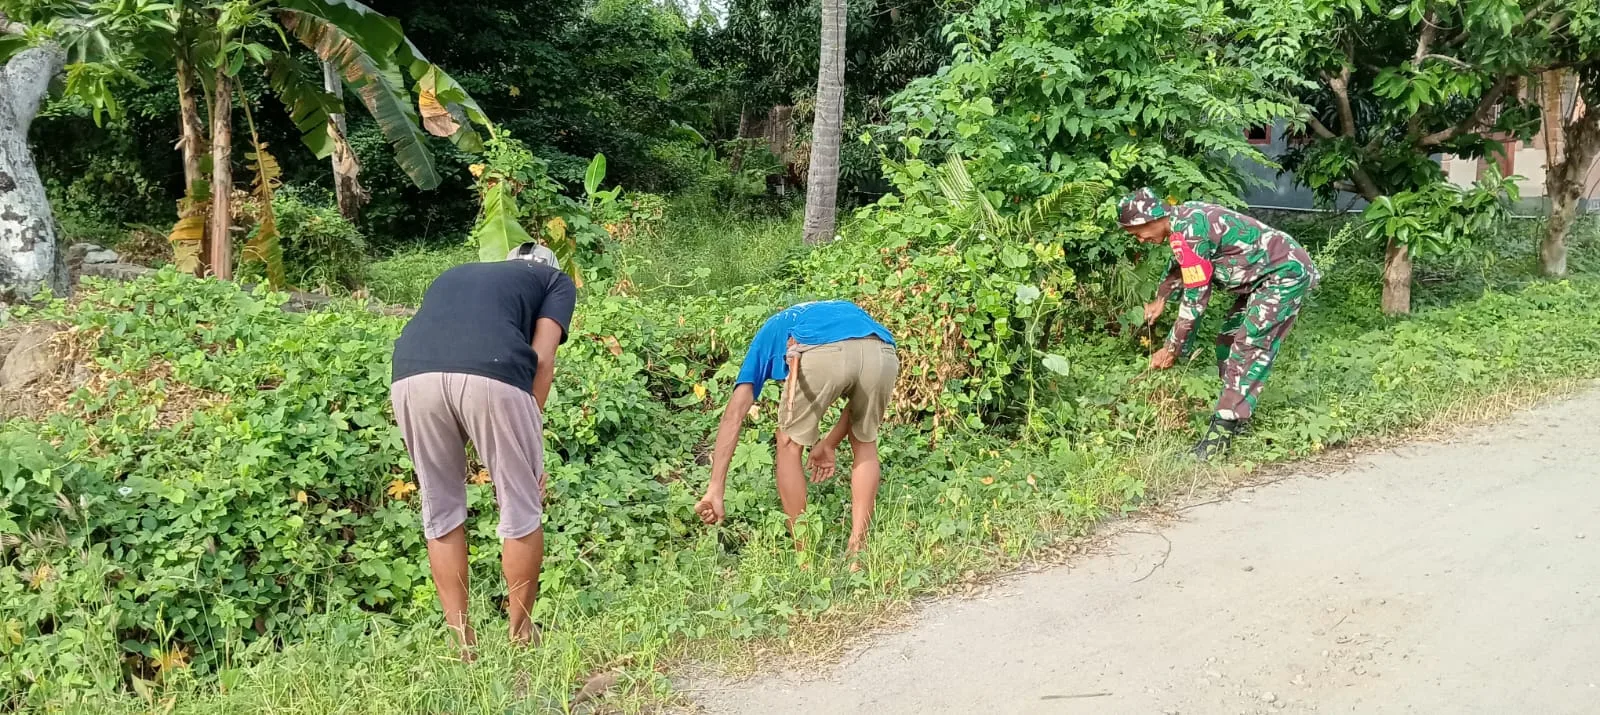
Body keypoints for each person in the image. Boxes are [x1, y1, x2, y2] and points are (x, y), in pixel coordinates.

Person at [389, 242, 576, 657]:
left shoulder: (457, 273)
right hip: (493, 372)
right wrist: (530, 444)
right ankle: (520, 635)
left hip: (410, 376)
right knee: (521, 506)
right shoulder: (555, 280)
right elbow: (543, 360)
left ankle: (462, 643)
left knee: (440, 508)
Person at [1118, 188, 1320, 460]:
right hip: (1260, 280)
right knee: (1227, 341)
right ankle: (1238, 418)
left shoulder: (1190, 229)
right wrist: (1161, 299)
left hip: (1284, 274)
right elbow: (1181, 263)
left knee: (1248, 347)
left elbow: (1195, 302)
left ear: (1151, 218)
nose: (1140, 240)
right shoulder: (1182, 223)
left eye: (1137, 232)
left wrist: (1172, 349)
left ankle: (1219, 438)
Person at [694, 300, 899, 557]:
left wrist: (715, 487)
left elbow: (734, 414)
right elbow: (856, 406)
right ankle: (858, 552)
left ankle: (806, 557)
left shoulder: (768, 334)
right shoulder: (837, 310)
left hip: (822, 351)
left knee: (788, 442)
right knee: (865, 441)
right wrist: (829, 444)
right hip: (882, 351)